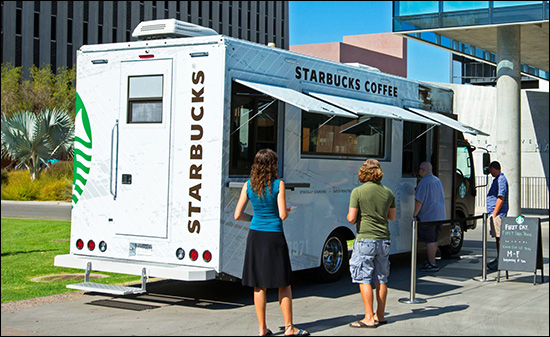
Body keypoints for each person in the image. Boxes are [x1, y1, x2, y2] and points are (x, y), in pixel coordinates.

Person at [234, 149, 309, 337]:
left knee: (259, 285)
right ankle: (289, 328)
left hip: (256, 236)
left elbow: (237, 215)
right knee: (284, 283)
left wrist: (254, 218)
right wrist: (286, 210)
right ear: (272, 165)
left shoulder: (248, 185)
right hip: (274, 235)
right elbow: (282, 214)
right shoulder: (278, 185)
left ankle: (262, 329)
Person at [347, 159, 396, 328]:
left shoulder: (358, 192)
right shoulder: (388, 192)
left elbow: (351, 218)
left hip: (365, 239)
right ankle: (380, 315)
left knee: (364, 277)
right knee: (381, 279)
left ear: (363, 172)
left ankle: (368, 317)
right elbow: (392, 217)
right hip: (384, 239)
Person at [413, 162, 446, 272]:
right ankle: (432, 261)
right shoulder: (437, 180)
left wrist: (415, 215)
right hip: (440, 215)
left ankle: (432, 263)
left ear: (422, 170)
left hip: (429, 216)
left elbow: (419, 201)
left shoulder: (424, 182)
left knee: (430, 240)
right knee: (435, 239)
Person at [486, 161, 509, 270]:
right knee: (497, 237)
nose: (490, 173)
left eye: (491, 171)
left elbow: (501, 197)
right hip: (496, 213)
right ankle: (499, 259)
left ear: (494, 168)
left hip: (499, 214)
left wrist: (494, 214)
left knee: (499, 237)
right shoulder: (498, 179)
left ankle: (501, 260)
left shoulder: (501, 179)